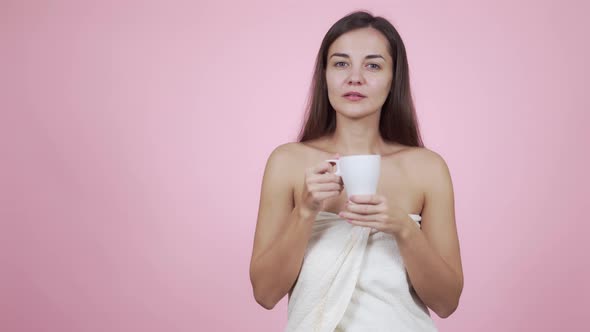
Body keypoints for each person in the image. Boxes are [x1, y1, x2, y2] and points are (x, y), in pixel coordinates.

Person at [249, 10, 463, 331]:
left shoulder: (427, 169)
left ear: (394, 79)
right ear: (324, 75)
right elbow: (265, 294)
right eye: (340, 63)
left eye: (373, 65)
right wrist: (305, 211)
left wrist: (404, 229)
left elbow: (446, 303)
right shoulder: (288, 163)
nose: (355, 78)